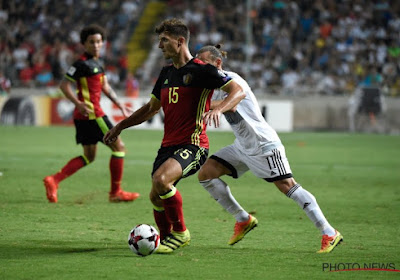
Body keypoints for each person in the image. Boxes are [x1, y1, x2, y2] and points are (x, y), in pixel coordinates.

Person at [103, 19, 244, 254]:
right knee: (156, 197)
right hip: (168, 145)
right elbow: (150, 109)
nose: (160, 46)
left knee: (161, 180)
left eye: (164, 40)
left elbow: (237, 91)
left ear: (180, 42)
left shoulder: (202, 70)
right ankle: (166, 238)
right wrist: (120, 126)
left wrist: (219, 108)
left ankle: (181, 233)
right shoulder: (166, 73)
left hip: (194, 144)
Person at [196, 45, 343, 253]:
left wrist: (207, 107)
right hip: (242, 146)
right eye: (197, 62)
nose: (199, 66)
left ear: (217, 63)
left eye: (203, 62)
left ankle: (329, 232)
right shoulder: (211, 85)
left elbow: (232, 103)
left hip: (263, 144)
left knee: (287, 186)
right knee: (206, 173)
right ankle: (243, 219)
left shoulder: (231, 79)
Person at [43, 24, 140, 203]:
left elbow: (105, 87)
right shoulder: (81, 64)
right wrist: (78, 102)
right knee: (119, 148)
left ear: (103, 43)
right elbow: (64, 85)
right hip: (93, 114)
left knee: (89, 156)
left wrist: (119, 104)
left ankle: (53, 180)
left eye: (98, 41)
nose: (96, 45)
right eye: (91, 42)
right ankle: (116, 192)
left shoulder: (97, 64)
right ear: (84, 44)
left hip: (82, 116)